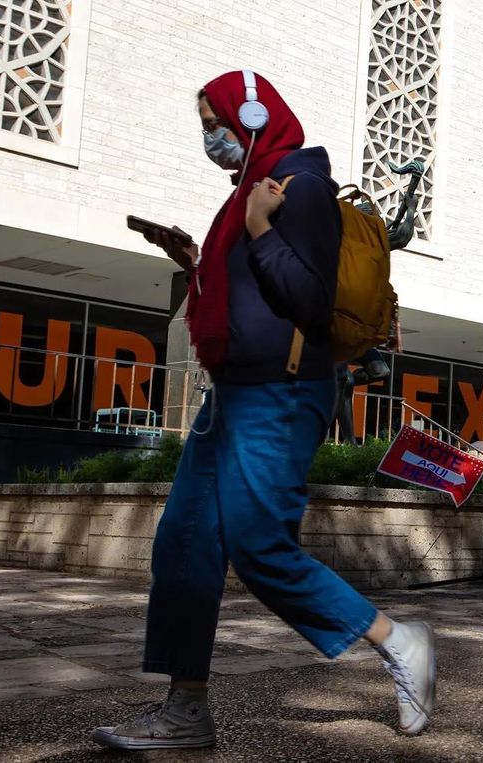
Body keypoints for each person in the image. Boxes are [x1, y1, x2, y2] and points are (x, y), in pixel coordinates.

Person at [91, 71, 436, 750]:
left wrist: (255, 228)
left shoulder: (298, 188)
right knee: (186, 540)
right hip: (235, 394)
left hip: (280, 393)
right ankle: (185, 708)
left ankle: (399, 641)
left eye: (216, 124)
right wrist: (197, 258)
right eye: (204, 127)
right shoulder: (256, 189)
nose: (210, 139)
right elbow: (254, 296)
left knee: (258, 546)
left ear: (253, 116)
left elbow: (305, 297)